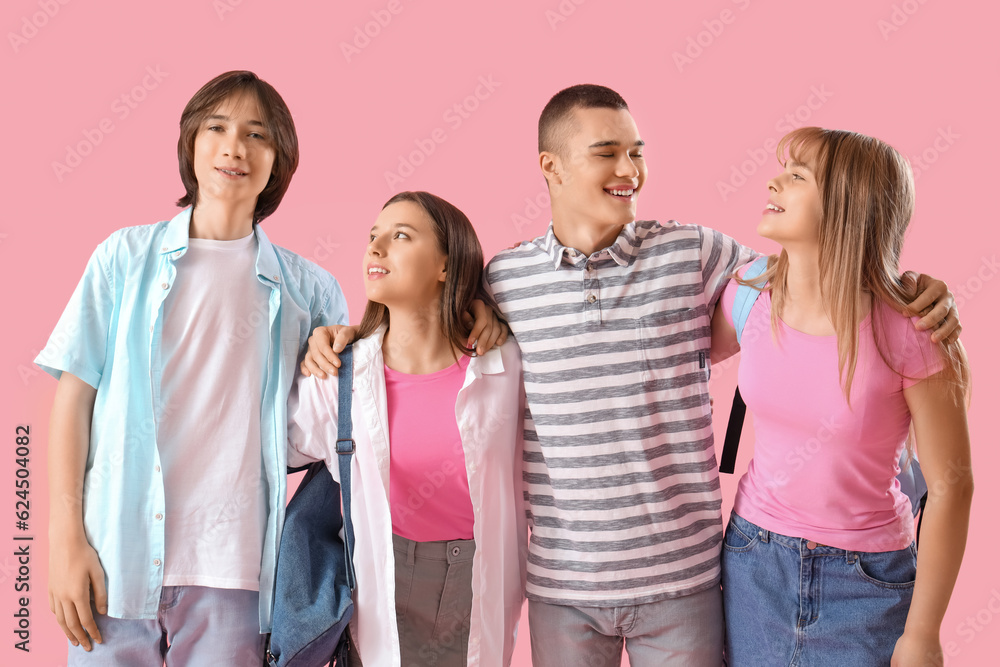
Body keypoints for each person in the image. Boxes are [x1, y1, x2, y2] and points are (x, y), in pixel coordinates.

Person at [301, 85, 961, 666]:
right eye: (608, 152)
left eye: (637, 152)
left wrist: (918, 289)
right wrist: (344, 335)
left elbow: (822, 278)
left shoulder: (699, 254)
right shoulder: (502, 281)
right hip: (564, 586)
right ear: (550, 168)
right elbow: (423, 332)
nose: (630, 170)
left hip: (687, 579)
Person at [35, 70, 351, 665]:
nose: (235, 146)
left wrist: (336, 356)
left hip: (236, 573)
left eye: (258, 135)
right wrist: (62, 540)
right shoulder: (123, 258)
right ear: (191, 143)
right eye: (217, 127)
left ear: (278, 162)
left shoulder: (312, 291)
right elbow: (73, 399)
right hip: (113, 557)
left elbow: (325, 435)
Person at [712, 127, 972, 666]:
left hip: (868, 581)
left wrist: (922, 633)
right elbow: (670, 355)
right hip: (752, 560)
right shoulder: (749, 293)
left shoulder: (913, 330)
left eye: (797, 176)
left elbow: (951, 488)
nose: (773, 182)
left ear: (848, 207)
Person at [287, 191, 527, 667]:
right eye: (372, 237)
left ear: (445, 265)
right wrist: (307, 342)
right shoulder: (341, 375)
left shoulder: (505, 368)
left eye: (400, 236)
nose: (375, 248)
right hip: (381, 573)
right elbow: (276, 455)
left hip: (478, 574)